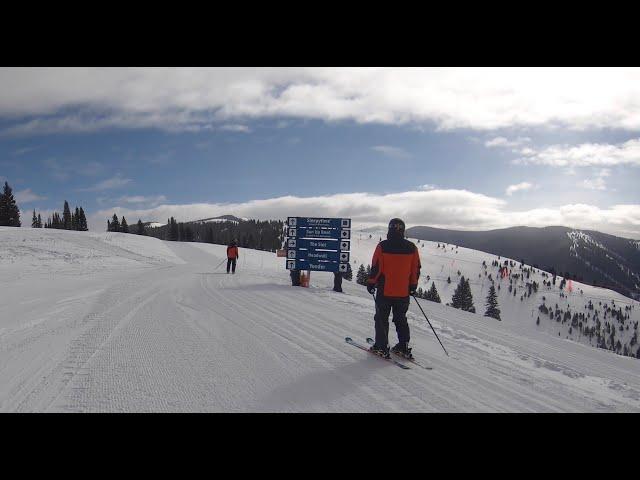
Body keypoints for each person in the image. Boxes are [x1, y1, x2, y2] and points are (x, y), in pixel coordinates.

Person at [366, 218, 421, 359]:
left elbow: (376, 267)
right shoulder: (412, 247)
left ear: (389, 229)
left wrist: (372, 282)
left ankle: (381, 346)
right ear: (403, 230)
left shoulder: (383, 246)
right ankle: (403, 346)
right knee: (400, 318)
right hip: (403, 292)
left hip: (385, 290)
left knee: (381, 318)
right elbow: (415, 269)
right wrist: (413, 286)